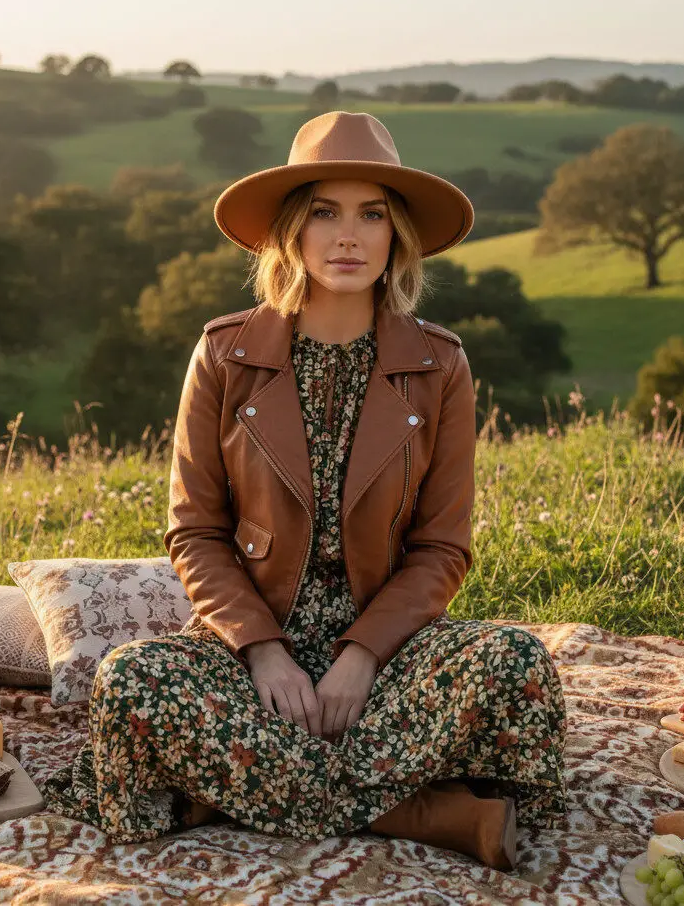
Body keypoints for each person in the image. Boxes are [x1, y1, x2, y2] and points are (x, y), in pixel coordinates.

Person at [42, 112, 569, 871]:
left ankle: (222, 789)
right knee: (133, 681)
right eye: (324, 212)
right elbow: (194, 532)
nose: (347, 236)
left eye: (371, 215)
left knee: (517, 661)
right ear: (291, 232)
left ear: (397, 237)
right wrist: (262, 652)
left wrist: (362, 655)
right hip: (251, 647)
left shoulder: (439, 364)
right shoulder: (225, 354)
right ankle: (419, 811)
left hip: (393, 651)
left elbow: (442, 546)